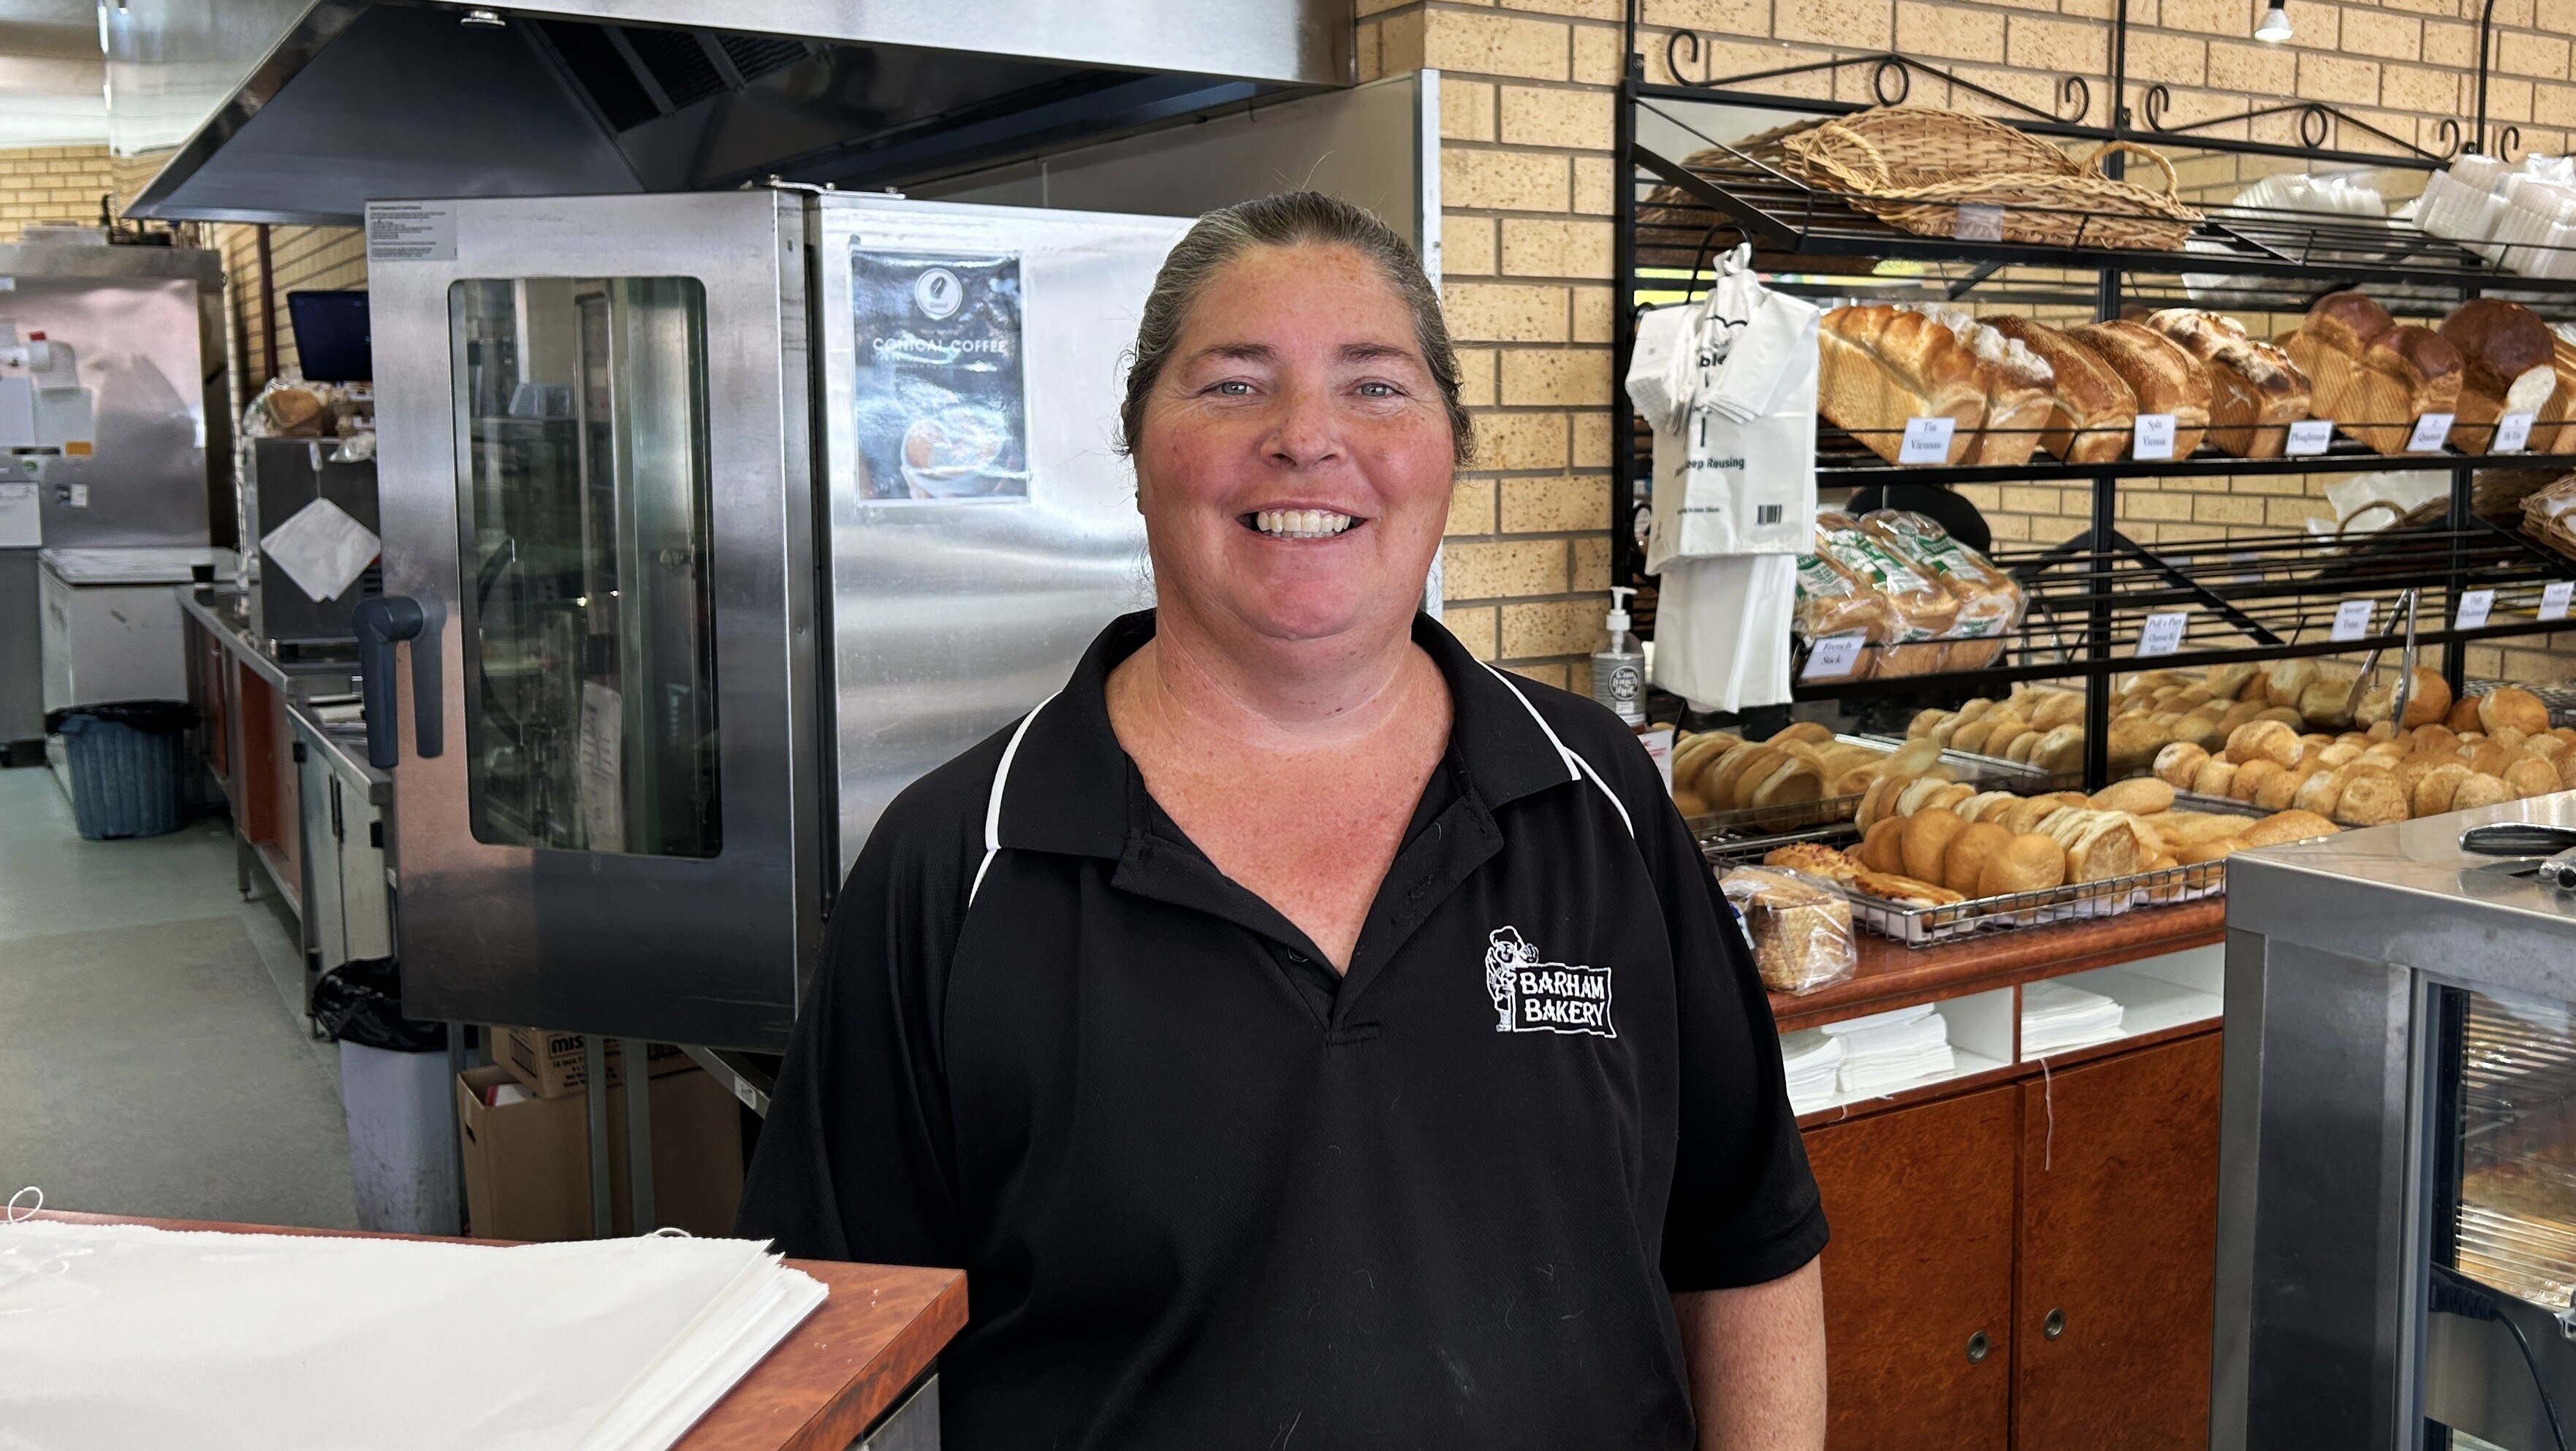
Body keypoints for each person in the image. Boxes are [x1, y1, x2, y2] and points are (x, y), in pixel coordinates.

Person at [735, 191, 1828, 1450]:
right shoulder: (956, 863)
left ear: (1449, 450)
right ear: (1139, 446)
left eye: (1373, 387)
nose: (1307, 440)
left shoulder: (1595, 791)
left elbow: (1743, 1240)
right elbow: (824, 1352)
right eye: (1234, 385)